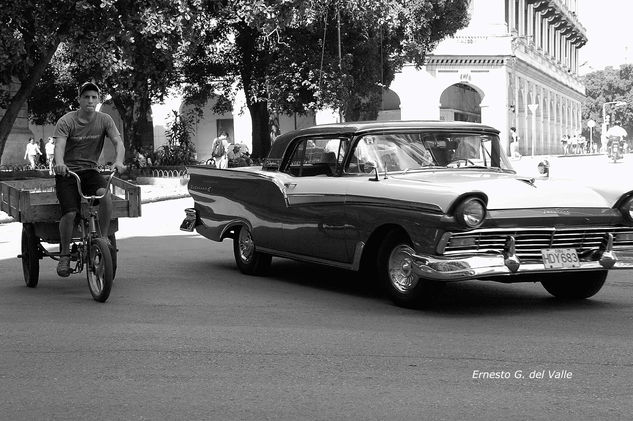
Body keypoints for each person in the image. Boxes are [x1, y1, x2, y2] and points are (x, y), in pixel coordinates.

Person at [53, 82, 126, 277]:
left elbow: (118, 142)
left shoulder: (104, 119)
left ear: (98, 99)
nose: (90, 100)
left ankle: (102, 240)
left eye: (94, 97)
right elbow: (59, 146)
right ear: (79, 99)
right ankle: (65, 255)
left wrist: (119, 161)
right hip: (68, 173)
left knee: (105, 197)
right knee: (69, 213)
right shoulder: (67, 121)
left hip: (91, 172)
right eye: (86, 97)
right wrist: (60, 163)